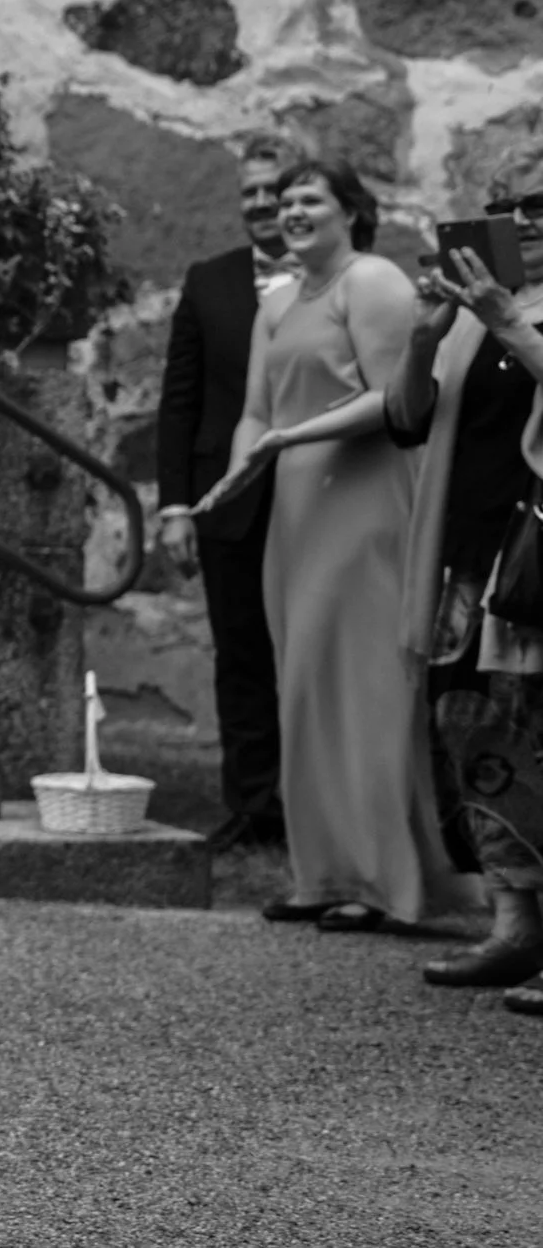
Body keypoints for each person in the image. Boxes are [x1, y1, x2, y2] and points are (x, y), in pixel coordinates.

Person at [202, 157, 472, 931]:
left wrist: (288, 435)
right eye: (284, 200)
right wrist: (237, 470)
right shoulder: (279, 299)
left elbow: (395, 400)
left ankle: (387, 879)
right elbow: (255, 409)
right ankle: (320, 872)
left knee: (367, 687)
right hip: (295, 508)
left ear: (350, 211)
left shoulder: (374, 281)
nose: (290, 210)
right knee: (305, 681)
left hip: (364, 499)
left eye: (308, 198)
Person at [395, 159, 543, 995]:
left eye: (535, 206)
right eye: (499, 207)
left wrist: (511, 324)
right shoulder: (470, 317)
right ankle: (514, 924)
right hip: (469, 558)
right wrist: (423, 334)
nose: (517, 219)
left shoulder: (505, 316)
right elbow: (407, 418)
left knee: (542, 736)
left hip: (539, 557)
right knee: (476, 733)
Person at [154, 133, 298, 853]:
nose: (263, 202)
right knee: (241, 655)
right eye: (251, 191)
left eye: (275, 188)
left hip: (313, 495)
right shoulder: (207, 280)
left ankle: (315, 808)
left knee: (307, 654)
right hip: (224, 500)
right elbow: (178, 402)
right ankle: (250, 806)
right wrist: (174, 504)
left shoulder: (337, 275)